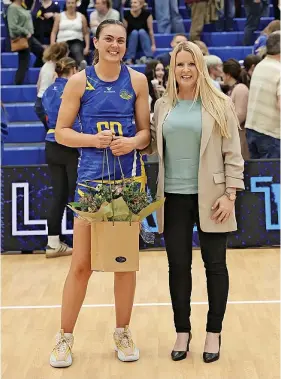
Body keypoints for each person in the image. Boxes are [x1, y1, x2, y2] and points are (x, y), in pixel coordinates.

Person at [49, 19, 150, 367]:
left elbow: (145, 135)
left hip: (127, 186)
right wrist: (93, 140)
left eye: (120, 40)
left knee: (125, 265)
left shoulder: (137, 80)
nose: (115, 45)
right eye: (109, 39)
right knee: (81, 265)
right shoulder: (79, 82)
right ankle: (64, 337)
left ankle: (122, 331)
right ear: (96, 41)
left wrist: (132, 142)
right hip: (91, 184)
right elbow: (61, 132)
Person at [147, 41, 244, 363]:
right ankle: (182, 331)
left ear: (200, 66)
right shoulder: (163, 105)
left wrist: (230, 196)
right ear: (172, 69)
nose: (185, 70)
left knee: (215, 266)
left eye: (191, 64)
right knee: (178, 268)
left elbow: (234, 156)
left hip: (214, 198)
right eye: (179, 64)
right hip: (172, 198)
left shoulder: (220, 103)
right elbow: (151, 145)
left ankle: (214, 333)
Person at [42, 57, 79, 258]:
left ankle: (53, 243)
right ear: (73, 70)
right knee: (79, 195)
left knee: (59, 196)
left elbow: (39, 109)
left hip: (50, 144)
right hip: (70, 144)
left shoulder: (48, 90)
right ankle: (83, 245)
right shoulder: (73, 89)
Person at [246, 32, 280, 159]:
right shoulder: (279, 70)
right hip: (271, 134)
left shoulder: (260, 66)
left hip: (252, 130)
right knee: (274, 177)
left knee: (259, 176)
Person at [7, 0, 44, 85]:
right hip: (22, 38)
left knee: (43, 52)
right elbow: (12, 26)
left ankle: (35, 71)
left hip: (30, 37)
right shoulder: (13, 8)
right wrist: (25, 32)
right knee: (24, 63)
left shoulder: (22, 7)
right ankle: (18, 84)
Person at [34, 42, 69, 131]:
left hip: (39, 101)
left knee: (52, 130)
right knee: (54, 130)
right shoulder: (57, 70)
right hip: (47, 102)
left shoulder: (46, 65)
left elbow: (38, 84)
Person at [223, 59, 250, 160]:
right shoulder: (233, 88)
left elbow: (240, 115)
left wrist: (223, 125)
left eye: (223, 73)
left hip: (240, 137)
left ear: (228, 75)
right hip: (233, 136)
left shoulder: (240, 89)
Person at [50, 0, 90, 69]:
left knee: (76, 48)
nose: (71, 5)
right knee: (62, 50)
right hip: (62, 42)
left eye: (72, 3)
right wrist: (52, 43)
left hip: (76, 40)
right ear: (66, 4)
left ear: (75, 4)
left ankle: (81, 64)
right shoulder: (59, 16)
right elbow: (54, 32)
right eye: (69, 3)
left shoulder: (82, 17)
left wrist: (87, 47)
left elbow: (86, 33)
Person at [123, 0, 155, 64]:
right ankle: (129, 59)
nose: (132, 4)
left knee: (141, 31)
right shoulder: (126, 14)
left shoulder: (147, 14)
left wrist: (153, 44)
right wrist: (124, 45)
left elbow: (150, 30)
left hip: (144, 39)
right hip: (131, 41)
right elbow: (124, 32)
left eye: (135, 2)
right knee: (134, 32)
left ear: (141, 5)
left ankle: (149, 57)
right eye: (131, 3)